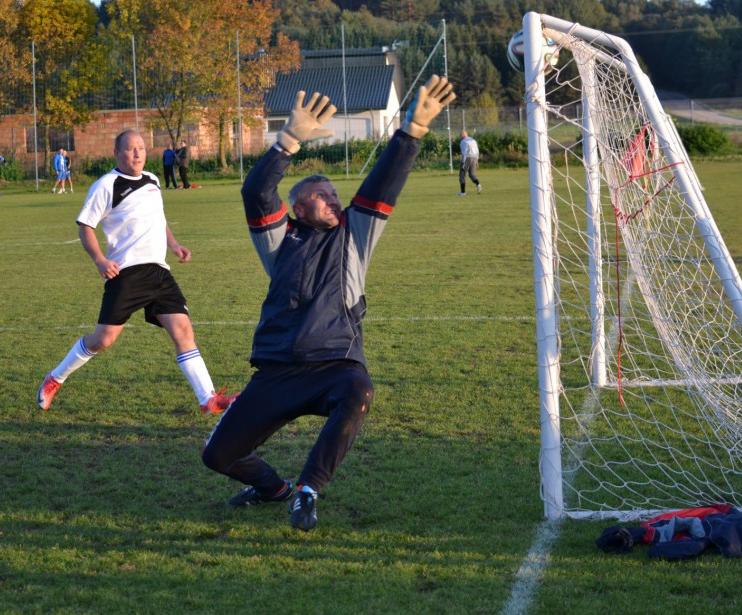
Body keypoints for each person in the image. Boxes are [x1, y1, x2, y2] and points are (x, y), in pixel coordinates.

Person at [201, 75, 456, 532]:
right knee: (217, 456)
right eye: (324, 195)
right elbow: (255, 193)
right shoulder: (280, 241)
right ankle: (272, 488)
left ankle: (307, 490)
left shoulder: (354, 235)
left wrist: (410, 132)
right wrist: (287, 141)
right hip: (277, 370)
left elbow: (383, 186)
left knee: (359, 391)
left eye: (337, 195)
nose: (335, 201)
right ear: (298, 207)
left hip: (335, 363)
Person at [37, 130, 236, 415]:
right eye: (130, 149)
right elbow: (85, 227)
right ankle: (55, 377)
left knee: (182, 329)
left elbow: (159, 218)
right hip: (126, 273)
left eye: (141, 148)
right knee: (103, 339)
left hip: (159, 273)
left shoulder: (153, 180)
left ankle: (209, 399)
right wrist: (100, 260)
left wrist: (175, 244)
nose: (137, 153)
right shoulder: (107, 185)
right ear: (117, 153)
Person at [458, 130, 481, 196]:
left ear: (462, 134)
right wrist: (477, 160)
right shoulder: (473, 140)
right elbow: (477, 151)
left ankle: (463, 192)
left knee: (462, 174)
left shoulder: (463, 141)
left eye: (460, 135)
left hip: (467, 158)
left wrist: (463, 162)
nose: (460, 136)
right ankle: (478, 184)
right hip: (474, 158)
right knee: (472, 174)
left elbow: (464, 152)